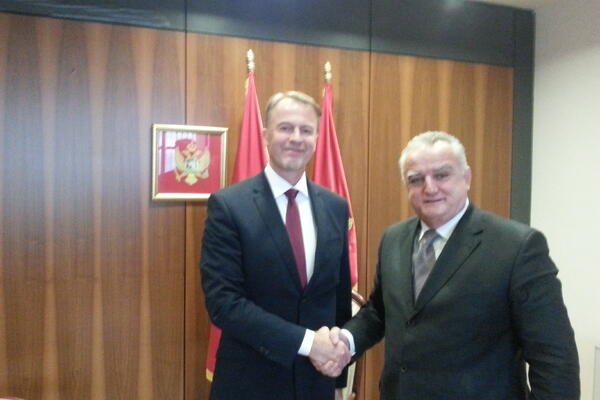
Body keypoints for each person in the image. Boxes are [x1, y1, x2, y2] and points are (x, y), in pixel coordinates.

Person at [325, 131, 580, 399]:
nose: (430, 188)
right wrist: (346, 341)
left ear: (466, 178)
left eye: (442, 175)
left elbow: (555, 358)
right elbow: (379, 311)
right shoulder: (393, 239)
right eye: (416, 179)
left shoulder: (517, 247)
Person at [200, 91, 352, 400]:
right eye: (285, 128)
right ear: (265, 135)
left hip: (316, 383)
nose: (296, 138)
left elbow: (338, 299)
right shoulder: (229, 206)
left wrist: (337, 379)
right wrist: (309, 343)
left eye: (306, 130)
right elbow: (224, 303)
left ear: (317, 138)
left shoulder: (335, 207)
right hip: (250, 383)